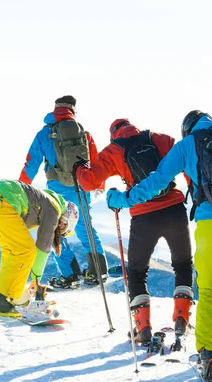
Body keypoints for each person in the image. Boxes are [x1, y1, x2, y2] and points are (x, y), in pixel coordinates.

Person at [107, 111, 212, 380]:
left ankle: (208, 354)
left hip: (210, 225)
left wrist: (122, 200)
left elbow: (155, 183)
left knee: (211, 290)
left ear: (187, 129)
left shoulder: (187, 145)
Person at [75, 118, 194, 344]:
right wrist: (194, 192)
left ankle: (143, 328)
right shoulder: (161, 139)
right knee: (183, 265)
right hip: (175, 210)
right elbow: (186, 163)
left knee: (138, 272)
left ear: (113, 134)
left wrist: (80, 168)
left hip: (143, 216)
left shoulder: (113, 151)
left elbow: (90, 183)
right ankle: (182, 319)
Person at [19, 96, 107, 286]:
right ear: (73, 110)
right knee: (85, 227)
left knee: (56, 229)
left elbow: (31, 162)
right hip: (82, 187)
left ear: (55, 109)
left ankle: (70, 275)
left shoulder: (45, 133)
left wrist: (21, 187)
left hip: (58, 190)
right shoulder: (83, 133)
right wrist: (99, 186)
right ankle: (98, 272)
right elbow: (97, 161)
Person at [0, 179, 78, 316]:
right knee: (26, 249)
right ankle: (1, 301)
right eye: (62, 226)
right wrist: (35, 280)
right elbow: (43, 247)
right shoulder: (54, 208)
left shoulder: (44, 200)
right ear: (65, 217)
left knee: (10, 249)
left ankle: (6, 296)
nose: (59, 229)